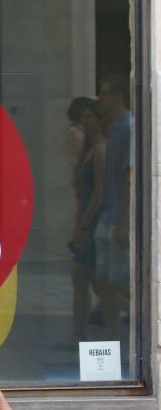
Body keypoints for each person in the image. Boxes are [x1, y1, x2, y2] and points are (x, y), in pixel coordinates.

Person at [94, 75, 132, 343]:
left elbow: (129, 176)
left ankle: (123, 333)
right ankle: (113, 336)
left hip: (117, 217)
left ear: (118, 95)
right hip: (108, 215)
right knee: (103, 281)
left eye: (105, 93)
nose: (101, 100)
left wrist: (122, 222)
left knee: (119, 281)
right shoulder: (115, 128)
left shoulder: (129, 127)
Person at [71, 101, 107, 341]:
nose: (85, 122)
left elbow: (100, 190)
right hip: (85, 219)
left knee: (98, 282)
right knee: (81, 277)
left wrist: (86, 223)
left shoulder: (101, 150)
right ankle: (79, 333)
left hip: (93, 221)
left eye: (90, 117)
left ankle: (130, 309)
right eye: (83, 117)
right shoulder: (88, 150)